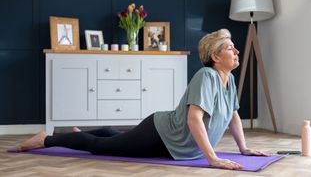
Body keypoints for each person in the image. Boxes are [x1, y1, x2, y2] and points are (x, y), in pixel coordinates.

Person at [11, 29, 269, 170]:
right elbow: (194, 119)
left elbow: (233, 115)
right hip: (161, 133)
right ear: (215, 56)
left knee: (115, 139)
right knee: (101, 147)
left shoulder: (229, 80)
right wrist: (212, 158)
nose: (235, 51)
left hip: (175, 146)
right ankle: (46, 139)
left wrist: (244, 149)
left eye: (235, 47)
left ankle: (81, 132)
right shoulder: (206, 76)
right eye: (229, 48)